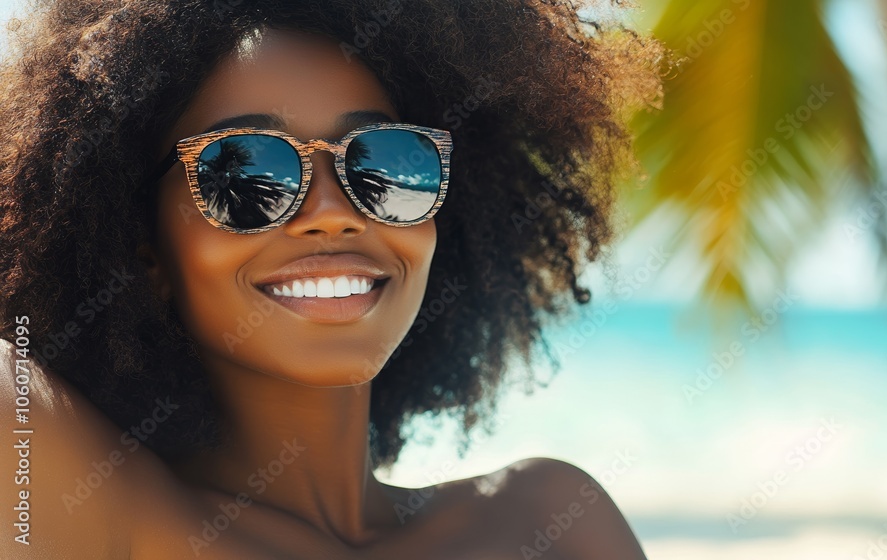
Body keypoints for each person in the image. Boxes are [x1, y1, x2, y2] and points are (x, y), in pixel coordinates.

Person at [0, 0, 662, 557]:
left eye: (387, 164)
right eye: (249, 173)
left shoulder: (554, 522)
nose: (332, 215)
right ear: (142, 247)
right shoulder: (104, 514)